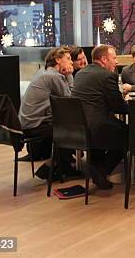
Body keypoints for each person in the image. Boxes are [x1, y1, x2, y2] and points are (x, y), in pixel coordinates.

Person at [72, 44, 128, 190]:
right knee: (129, 134)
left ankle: (96, 171)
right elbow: (118, 107)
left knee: (113, 128)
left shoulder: (80, 74)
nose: (116, 62)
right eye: (114, 58)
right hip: (96, 128)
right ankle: (101, 171)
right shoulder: (108, 76)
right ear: (104, 59)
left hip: (77, 127)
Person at [18, 46, 79, 180]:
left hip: (25, 123)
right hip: (35, 126)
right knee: (71, 131)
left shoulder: (43, 72)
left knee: (66, 128)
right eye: (68, 59)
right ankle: (54, 168)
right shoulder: (54, 76)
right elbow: (70, 101)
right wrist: (69, 75)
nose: (71, 63)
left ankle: (59, 166)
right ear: (57, 60)